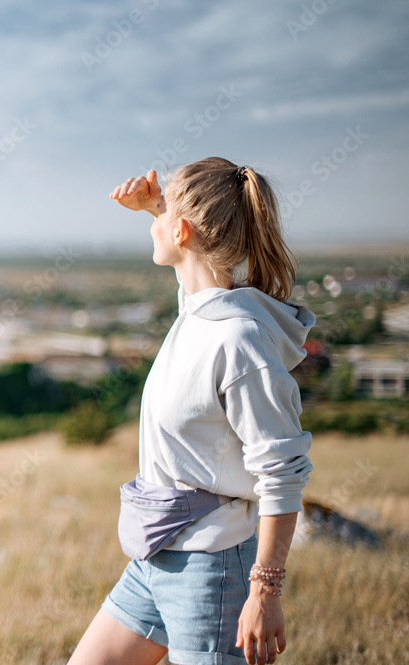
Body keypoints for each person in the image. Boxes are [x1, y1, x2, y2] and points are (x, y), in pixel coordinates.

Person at [67, 158, 315, 665]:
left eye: (164, 220)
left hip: (213, 571)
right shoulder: (199, 310)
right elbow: (192, 264)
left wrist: (264, 593)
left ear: (180, 232)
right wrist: (157, 207)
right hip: (154, 559)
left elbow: (282, 474)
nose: (153, 228)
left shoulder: (239, 339)